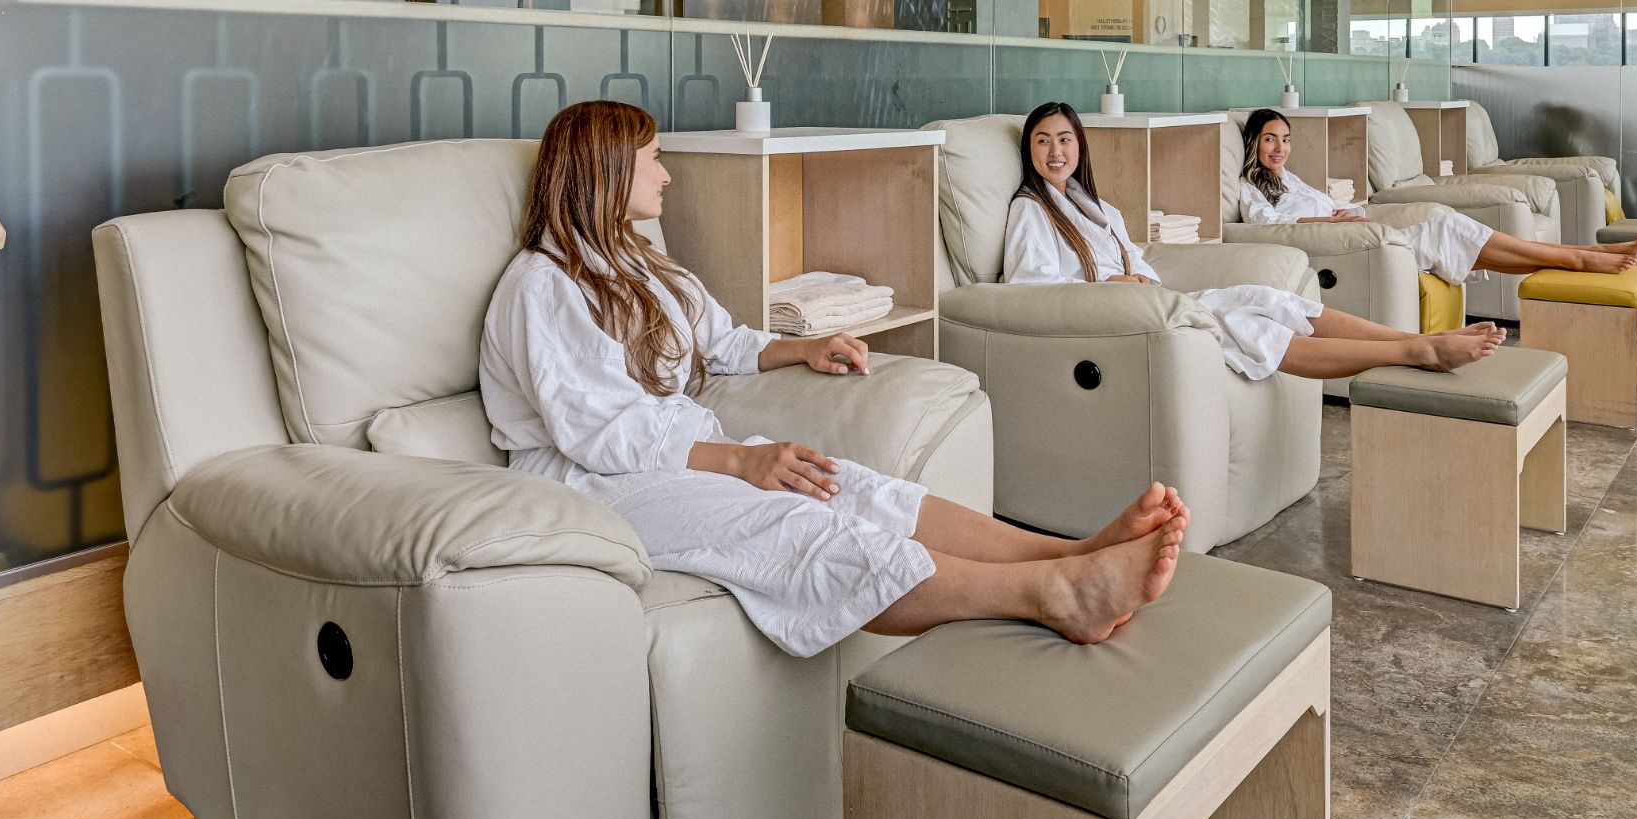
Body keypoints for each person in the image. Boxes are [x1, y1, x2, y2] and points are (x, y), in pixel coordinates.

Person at [479, 99, 1190, 656]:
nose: (668, 175)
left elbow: (722, 340)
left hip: (668, 455)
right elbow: (602, 432)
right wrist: (742, 459)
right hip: (593, 489)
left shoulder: (639, 265)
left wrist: (805, 349)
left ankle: (1075, 553)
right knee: (795, 516)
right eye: (655, 160)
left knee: (854, 485)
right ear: (607, 171)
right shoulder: (542, 286)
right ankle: (1054, 595)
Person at [1002, 102, 1507, 383]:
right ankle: (1415, 352)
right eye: (1043, 139)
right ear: (1029, 148)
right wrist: (1113, 284)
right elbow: (1034, 290)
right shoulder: (1030, 209)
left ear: (1079, 146)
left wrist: (1135, 277)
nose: (1055, 150)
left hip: (1144, 299)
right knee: (1248, 320)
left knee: (1270, 298)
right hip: (1116, 316)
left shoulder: (1100, 207)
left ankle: (1413, 343)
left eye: (1064, 139)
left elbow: (1140, 261)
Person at [1236, 108, 1637, 283]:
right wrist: (1326, 222)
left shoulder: (1290, 178)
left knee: (1454, 232)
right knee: (1446, 226)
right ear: (1254, 142)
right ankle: (1580, 257)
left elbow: (1334, 203)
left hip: (1357, 232)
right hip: (1343, 247)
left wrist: (1341, 212)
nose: (1280, 148)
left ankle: (1579, 258)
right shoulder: (1249, 189)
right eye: (1271, 140)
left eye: (1286, 140)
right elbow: (1266, 226)